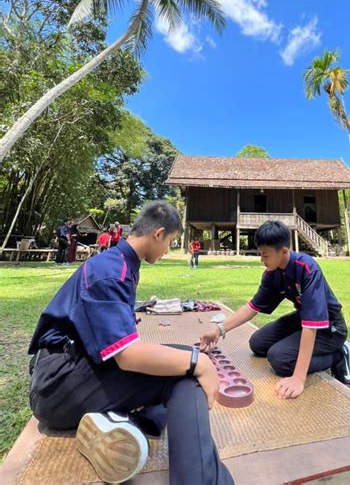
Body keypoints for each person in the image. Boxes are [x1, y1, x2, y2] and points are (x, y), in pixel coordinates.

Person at [28, 201, 233, 485]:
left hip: (65, 375)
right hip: (57, 386)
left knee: (178, 362)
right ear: (158, 233)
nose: (167, 251)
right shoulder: (111, 271)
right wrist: (202, 364)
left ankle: (126, 421)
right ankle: (202, 480)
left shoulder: (121, 262)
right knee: (189, 373)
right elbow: (127, 356)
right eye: (171, 243)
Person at [200, 220, 350, 400]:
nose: (261, 260)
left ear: (283, 252)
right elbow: (252, 307)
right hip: (302, 319)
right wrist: (219, 330)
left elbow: (311, 326)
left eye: (265, 255)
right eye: (260, 254)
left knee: (281, 359)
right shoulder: (272, 274)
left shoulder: (307, 268)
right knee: (257, 343)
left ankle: (338, 355)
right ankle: (302, 347)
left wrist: (298, 378)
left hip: (329, 327)